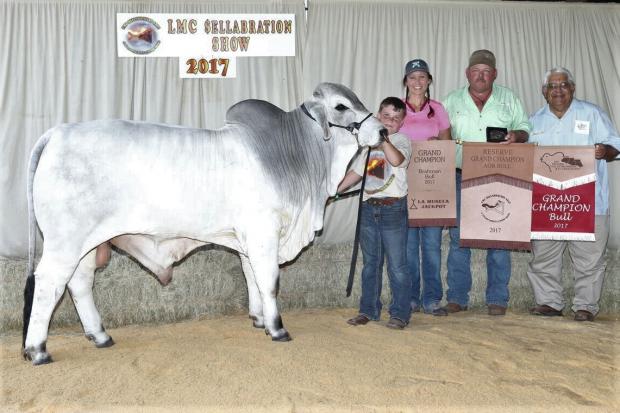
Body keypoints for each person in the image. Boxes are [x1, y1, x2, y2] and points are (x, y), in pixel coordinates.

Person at [527, 67, 620, 322]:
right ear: (544, 92)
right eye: (552, 86)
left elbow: (616, 146)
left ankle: (585, 306)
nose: (558, 90)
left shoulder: (592, 114)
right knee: (544, 256)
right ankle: (548, 303)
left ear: (572, 88)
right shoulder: (533, 122)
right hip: (547, 203)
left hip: (589, 203)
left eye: (563, 85)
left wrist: (605, 150)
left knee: (590, 259)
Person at [441, 49, 530, 316]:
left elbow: (526, 129)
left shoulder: (509, 98)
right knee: (458, 238)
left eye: (486, 71)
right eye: (476, 71)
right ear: (468, 73)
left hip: (499, 176)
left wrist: (516, 135)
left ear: (495, 74)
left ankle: (497, 299)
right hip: (460, 174)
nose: (481, 76)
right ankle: (457, 297)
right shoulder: (450, 100)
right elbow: (441, 137)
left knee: (499, 237)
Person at [342, 97, 412, 329]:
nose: (390, 121)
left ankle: (400, 313)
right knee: (371, 263)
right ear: (377, 116)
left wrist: (383, 139)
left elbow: (397, 159)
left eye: (395, 118)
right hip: (369, 208)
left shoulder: (402, 140)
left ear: (401, 122)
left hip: (393, 208)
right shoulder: (368, 147)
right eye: (386, 116)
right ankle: (368, 310)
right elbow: (357, 173)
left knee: (397, 265)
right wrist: (332, 192)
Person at [400, 59, 451, 316]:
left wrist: (435, 144)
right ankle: (410, 297)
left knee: (431, 245)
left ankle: (432, 298)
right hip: (406, 186)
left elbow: (447, 145)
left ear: (429, 80)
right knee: (408, 247)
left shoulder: (438, 109)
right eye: (412, 77)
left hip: (432, 185)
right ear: (406, 81)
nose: (417, 82)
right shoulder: (396, 110)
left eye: (422, 77)